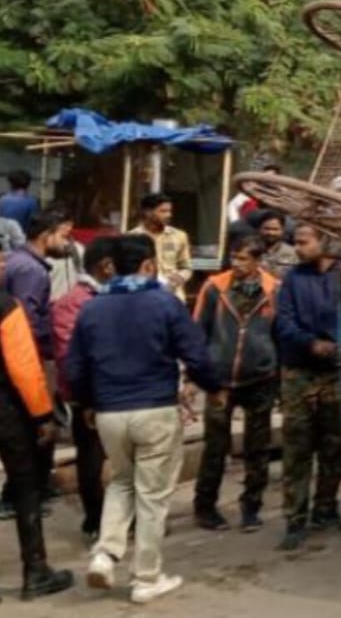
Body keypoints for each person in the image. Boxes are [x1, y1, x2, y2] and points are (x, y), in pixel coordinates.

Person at [67, 234, 219, 605]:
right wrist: (214, 385)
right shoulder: (164, 303)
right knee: (152, 496)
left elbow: (75, 367)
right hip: (154, 409)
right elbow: (195, 353)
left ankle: (105, 554)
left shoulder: (91, 309)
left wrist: (87, 403)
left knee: (121, 481)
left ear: (111, 266)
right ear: (149, 265)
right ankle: (146, 577)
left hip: (109, 413)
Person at [191, 237, 280, 534]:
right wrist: (196, 377)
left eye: (243, 259)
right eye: (234, 257)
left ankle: (251, 507)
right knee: (215, 447)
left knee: (258, 448)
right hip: (219, 381)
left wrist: (276, 374)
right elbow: (197, 334)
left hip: (260, 380)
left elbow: (279, 334)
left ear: (258, 261)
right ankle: (205, 507)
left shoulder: (273, 289)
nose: (237, 264)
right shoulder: (214, 287)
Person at [274, 224, 341, 552]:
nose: (298, 248)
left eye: (304, 242)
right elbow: (284, 322)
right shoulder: (293, 278)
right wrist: (311, 343)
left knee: (335, 444)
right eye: (296, 243)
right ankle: (294, 518)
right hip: (299, 371)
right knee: (298, 447)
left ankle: (327, 508)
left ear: (325, 241)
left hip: (337, 371)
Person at [0, 292, 73, 601]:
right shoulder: (4, 304)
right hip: (7, 411)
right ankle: (36, 571)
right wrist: (43, 414)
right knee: (25, 487)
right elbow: (23, 365)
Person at [1, 209, 75, 516]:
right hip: (30, 359)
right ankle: (19, 496)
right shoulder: (32, 271)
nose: (67, 243)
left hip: (24, 357)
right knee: (40, 426)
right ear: (47, 235)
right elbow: (26, 323)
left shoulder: (19, 263)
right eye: (64, 236)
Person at [51, 236, 117, 547]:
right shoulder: (74, 303)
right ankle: (95, 519)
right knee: (91, 462)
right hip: (91, 397)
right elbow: (69, 357)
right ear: (106, 267)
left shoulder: (107, 297)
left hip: (115, 394)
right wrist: (88, 397)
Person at [130, 193, 191, 300]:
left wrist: (179, 278)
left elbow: (186, 267)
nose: (169, 215)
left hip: (173, 296)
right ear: (148, 212)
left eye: (170, 211)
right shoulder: (132, 237)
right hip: (142, 297)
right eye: (163, 211)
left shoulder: (179, 236)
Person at [256, 212, 297, 278]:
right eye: (267, 228)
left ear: (282, 230)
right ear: (259, 229)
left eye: (275, 229)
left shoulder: (294, 254)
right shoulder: (250, 251)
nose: (270, 233)